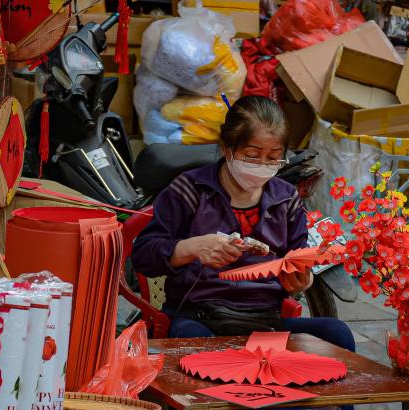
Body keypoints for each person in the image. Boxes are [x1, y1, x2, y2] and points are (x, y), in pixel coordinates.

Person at [131, 95, 355, 352]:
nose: (262, 166)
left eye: (273, 158)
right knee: (199, 348)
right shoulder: (190, 189)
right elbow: (143, 256)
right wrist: (192, 247)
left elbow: (297, 258)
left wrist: (301, 280)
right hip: (199, 318)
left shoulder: (285, 198)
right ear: (227, 148)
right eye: (251, 155)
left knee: (336, 333)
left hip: (264, 322)